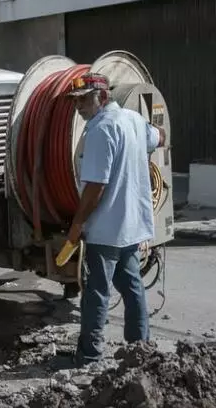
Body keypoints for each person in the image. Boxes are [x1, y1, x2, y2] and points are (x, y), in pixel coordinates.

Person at [65, 72, 166, 365]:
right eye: (75, 101)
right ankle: (140, 349)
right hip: (133, 227)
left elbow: (96, 186)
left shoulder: (100, 129)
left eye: (84, 100)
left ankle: (89, 356)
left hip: (106, 229)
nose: (78, 106)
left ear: (104, 97)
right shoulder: (134, 121)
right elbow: (160, 136)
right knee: (132, 286)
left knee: (96, 292)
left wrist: (76, 225)